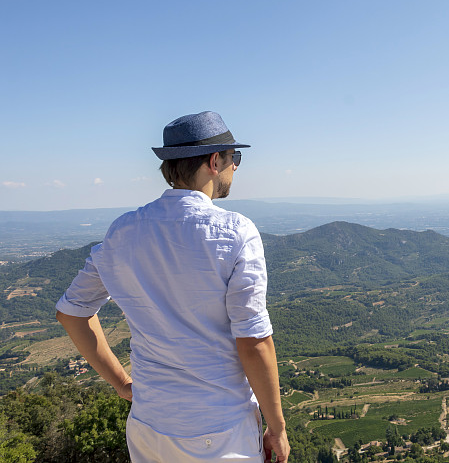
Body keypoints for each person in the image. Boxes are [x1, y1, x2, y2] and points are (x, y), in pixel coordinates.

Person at [55, 111, 289, 463]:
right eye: (233, 158)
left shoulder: (123, 231)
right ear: (214, 161)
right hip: (220, 431)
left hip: (149, 427)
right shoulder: (235, 232)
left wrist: (121, 383)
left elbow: (71, 313)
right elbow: (254, 343)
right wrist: (277, 428)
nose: (235, 167)